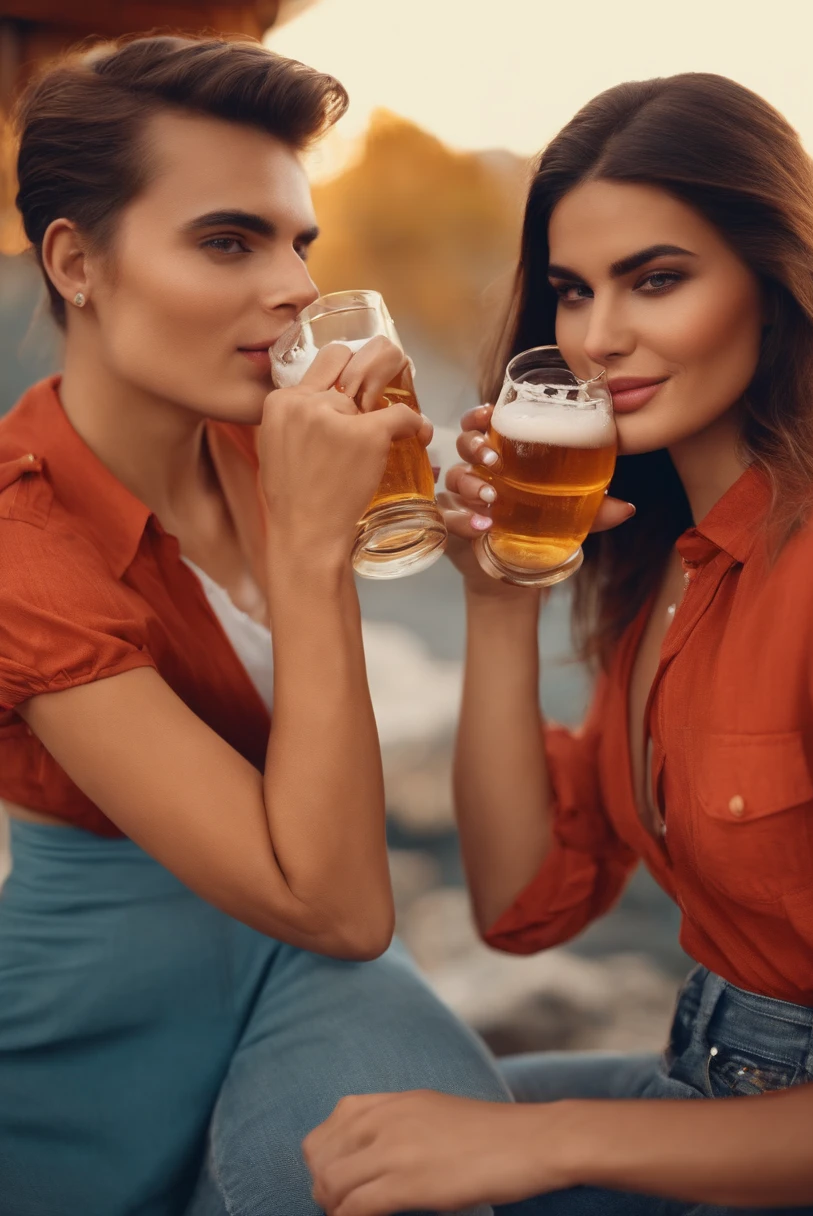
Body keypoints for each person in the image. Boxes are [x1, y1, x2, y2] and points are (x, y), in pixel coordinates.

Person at [0, 34, 513, 1216]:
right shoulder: (23, 542)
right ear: (76, 261)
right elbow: (340, 900)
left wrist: (480, 564)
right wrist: (317, 547)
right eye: (227, 240)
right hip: (98, 1026)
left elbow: (337, 922)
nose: (290, 285)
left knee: (419, 1189)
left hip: (311, 967)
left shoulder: (266, 428)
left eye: (297, 242)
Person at [303, 73, 813, 1215]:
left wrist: (542, 1143)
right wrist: (502, 602)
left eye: (657, 279)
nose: (597, 338)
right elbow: (519, 902)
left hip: (790, 1144)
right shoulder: (665, 573)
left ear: (772, 277)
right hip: (705, 1086)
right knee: (345, 1144)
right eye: (569, 289)